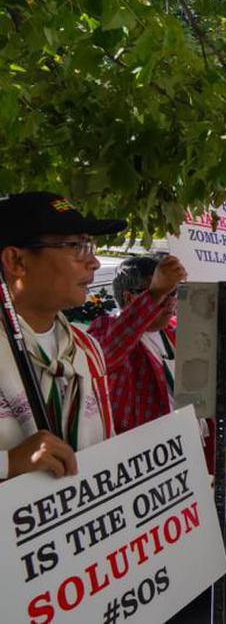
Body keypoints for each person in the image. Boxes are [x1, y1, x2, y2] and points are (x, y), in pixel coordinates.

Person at [0, 192, 127, 480]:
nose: (93, 262)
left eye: (90, 246)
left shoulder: (86, 349)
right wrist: (9, 463)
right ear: (16, 261)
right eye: (77, 247)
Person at [87, 253, 187, 434]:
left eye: (173, 292)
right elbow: (107, 354)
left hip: (183, 445)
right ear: (129, 297)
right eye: (162, 293)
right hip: (140, 452)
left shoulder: (173, 331)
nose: (171, 301)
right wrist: (154, 295)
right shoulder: (105, 329)